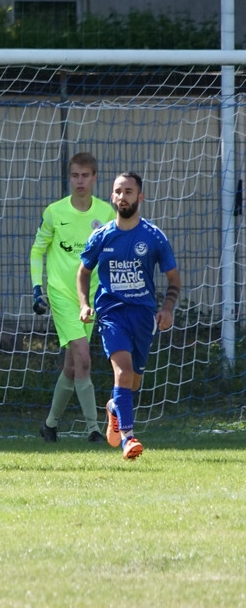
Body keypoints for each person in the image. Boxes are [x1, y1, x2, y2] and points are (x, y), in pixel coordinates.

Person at [78, 171, 180, 461]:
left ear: (140, 197)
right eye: (118, 191)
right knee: (122, 372)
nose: (122, 197)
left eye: (128, 192)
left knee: (133, 382)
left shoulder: (154, 237)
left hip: (143, 316)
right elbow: (83, 272)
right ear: (112, 196)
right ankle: (128, 438)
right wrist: (84, 304)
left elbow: (173, 279)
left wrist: (167, 308)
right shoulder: (101, 236)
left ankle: (114, 407)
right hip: (111, 313)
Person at [30, 152, 115, 444]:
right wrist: (37, 288)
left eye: (85, 176)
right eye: (75, 175)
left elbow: (111, 254)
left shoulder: (105, 214)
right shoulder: (55, 212)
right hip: (62, 295)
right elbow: (37, 250)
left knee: (72, 365)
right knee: (84, 357)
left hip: (91, 297)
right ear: (70, 178)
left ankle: (50, 425)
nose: (80, 181)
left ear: (94, 178)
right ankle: (94, 429)